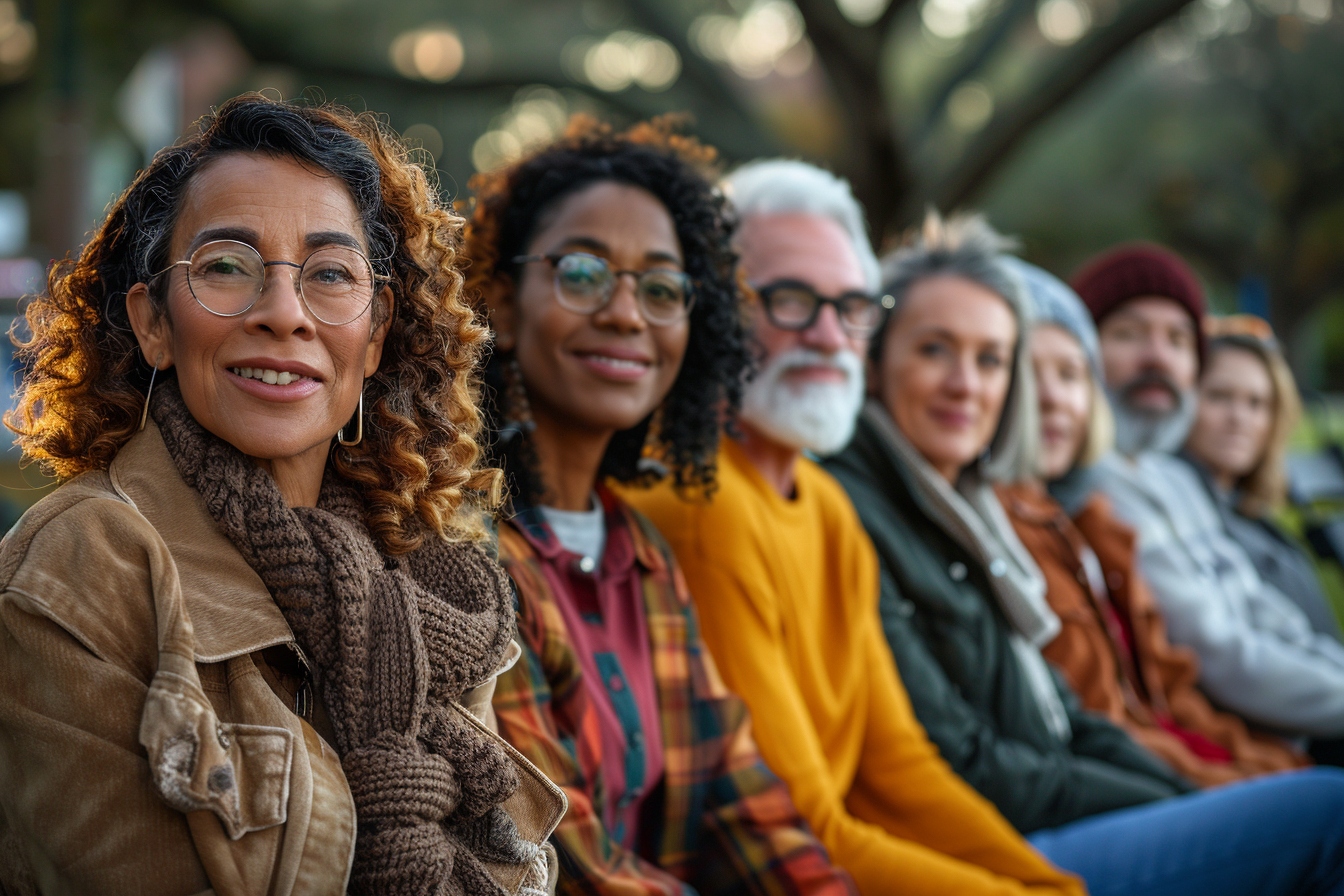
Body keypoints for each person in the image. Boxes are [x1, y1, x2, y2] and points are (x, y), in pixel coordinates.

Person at [0, 95, 563, 896]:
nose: (284, 314)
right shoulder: (80, 568)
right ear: (154, 322)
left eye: (331, 274)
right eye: (227, 266)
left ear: (373, 339)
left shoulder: (423, 586)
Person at [825, 212, 1344, 896]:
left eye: (990, 359)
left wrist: (1197, 795)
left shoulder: (972, 511)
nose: (966, 383)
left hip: (1065, 805)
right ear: (875, 359)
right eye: (933, 350)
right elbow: (968, 762)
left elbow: (1090, 715)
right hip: (996, 847)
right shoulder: (868, 511)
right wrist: (1191, 804)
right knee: (1330, 812)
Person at [625, 159, 1087, 896]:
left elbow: (900, 763)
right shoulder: (703, 505)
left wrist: (1046, 885)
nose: (830, 336)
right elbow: (803, 832)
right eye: (789, 301)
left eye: (853, 307)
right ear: (712, 308)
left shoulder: (824, 501)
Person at [464, 119, 855, 895]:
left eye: (662, 288)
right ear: (503, 306)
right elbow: (558, 856)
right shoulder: (461, 552)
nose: (626, 314)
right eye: (582, 273)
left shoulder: (638, 552)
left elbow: (743, 802)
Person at [995, 258, 1306, 788]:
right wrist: (1247, 784)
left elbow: (1169, 687)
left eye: (1070, 374)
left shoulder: (1095, 517)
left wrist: (1265, 767)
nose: (1051, 398)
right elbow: (1107, 724)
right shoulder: (1045, 518)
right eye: (1128, 334)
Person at [1070, 244, 1344, 744]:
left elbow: (1269, 616)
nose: (1157, 355)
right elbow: (1217, 655)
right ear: (1082, 351)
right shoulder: (1090, 486)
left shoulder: (1173, 479)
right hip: (1233, 751)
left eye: (1177, 339)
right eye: (1128, 334)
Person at [1182, 316, 1343, 638]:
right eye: (1218, 396)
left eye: (1256, 403)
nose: (1238, 418)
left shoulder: (1253, 514)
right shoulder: (1184, 516)